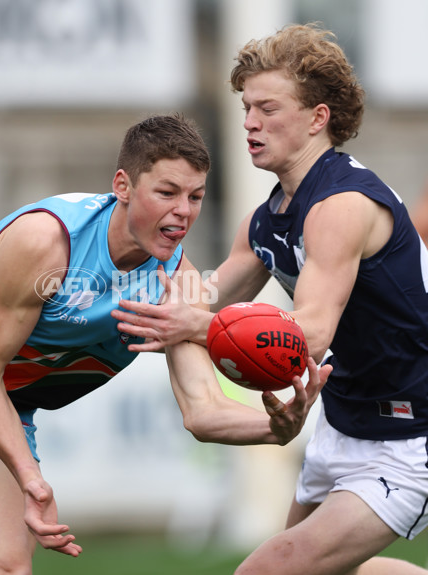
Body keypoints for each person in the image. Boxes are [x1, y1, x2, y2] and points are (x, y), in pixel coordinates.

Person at [0, 113, 329, 575]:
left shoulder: (178, 286)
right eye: (168, 192)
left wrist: (274, 427)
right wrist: (31, 478)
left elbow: (202, 410)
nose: (183, 212)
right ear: (123, 187)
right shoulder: (48, 242)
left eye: (195, 197)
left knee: (4, 568)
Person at [111, 25, 428, 575]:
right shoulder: (271, 215)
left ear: (317, 117)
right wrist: (145, 302)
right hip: (345, 421)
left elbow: (311, 333)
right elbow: (210, 293)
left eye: (267, 108)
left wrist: (196, 327)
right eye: (246, 107)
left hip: (410, 435)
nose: (250, 123)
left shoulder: (340, 204)